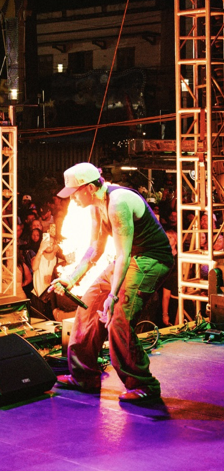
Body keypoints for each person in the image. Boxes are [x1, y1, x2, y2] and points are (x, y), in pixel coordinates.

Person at [52, 162, 173, 402]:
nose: (72, 198)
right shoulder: (95, 205)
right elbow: (96, 248)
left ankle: (144, 384)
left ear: (88, 188)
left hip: (151, 259)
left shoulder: (118, 202)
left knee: (118, 318)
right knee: (88, 306)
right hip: (128, 259)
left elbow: (123, 255)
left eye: (74, 193)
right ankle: (84, 376)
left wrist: (112, 295)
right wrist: (70, 279)